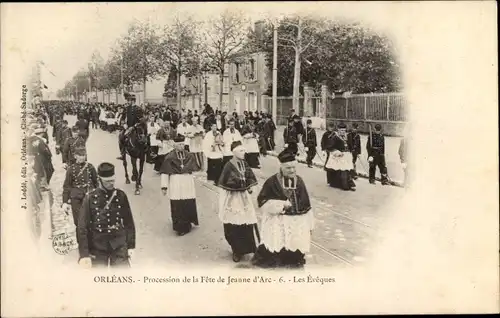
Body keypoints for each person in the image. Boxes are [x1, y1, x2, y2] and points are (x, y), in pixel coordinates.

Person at [251, 150, 314, 268]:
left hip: (296, 220)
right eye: (288, 168)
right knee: (277, 241)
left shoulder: (299, 181)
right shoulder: (272, 182)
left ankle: (293, 259)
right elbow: (263, 202)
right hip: (278, 219)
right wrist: (280, 205)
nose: (292, 171)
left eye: (294, 168)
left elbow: (305, 203)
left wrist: (309, 223)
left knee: (294, 241)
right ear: (281, 168)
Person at [77, 162, 136, 268]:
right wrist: (84, 254)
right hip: (97, 245)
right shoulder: (90, 198)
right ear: (100, 180)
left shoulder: (121, 195)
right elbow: (82, 227)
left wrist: (131, 246)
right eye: (108, 181)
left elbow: (128, 222)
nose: (111, 183)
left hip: (118, 243)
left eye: (113, 180)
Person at [216, 141, 259, 262]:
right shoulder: (228, 165)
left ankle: (249, 248)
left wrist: (250, 187)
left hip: (244, 197)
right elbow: (225, 184)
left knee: (246, 222)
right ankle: (236, 250)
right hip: (232, 198)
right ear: (234, 152)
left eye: (244, 150)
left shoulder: (244, 163)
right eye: (241, 150)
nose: (244, 152)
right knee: (234, 224)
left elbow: (250, 176)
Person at [160, 134, 200, 236]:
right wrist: (164, 187)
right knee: (178, 204)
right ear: (175, 145)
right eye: (179, 144)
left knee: (188, 202)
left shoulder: (189, 155)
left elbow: (194, 169)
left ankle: (188, 222)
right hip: (175, 181)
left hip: (187, 181)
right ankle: (180, 227)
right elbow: (165, 172)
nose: (182, 146)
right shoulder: (169, 157)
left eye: (183, 144)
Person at [61, 146, 98, 228]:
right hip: (76, 197)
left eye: (83, 155)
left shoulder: (90, 167)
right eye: (80, 155)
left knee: (93, 219)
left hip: (89, 194)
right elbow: (67, 186)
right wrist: (65, 202)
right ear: (75, 156)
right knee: (78, 221)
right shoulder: (71, 169)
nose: (82, 157)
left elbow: (96, 182)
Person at [323, 123, 356, 191]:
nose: (343, 132)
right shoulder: (335, 137)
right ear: (338, 130)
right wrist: (336, 152)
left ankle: (348, 183)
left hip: (346, 156)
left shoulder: (347, 137)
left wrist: (352, 150)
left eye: (344, 130)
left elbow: (350, 145)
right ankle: (343, 185)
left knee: (348, 170)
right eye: (341, 130)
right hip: (338, 156)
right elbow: (329, 147)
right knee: (340, 170)